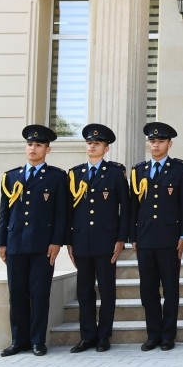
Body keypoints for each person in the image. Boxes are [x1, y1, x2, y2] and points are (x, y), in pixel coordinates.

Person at [0, 125, 68, 357]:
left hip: (42, 246)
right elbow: (4, 213)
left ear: (47, 149)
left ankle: (37, 340)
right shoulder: (11, 177)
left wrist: (57, 242)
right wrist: (2, 242)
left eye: (38, 145)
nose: (33, 148)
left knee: (39, 294)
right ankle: (19, 341)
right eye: (30, 144)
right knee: (16, 294)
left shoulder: (57, 177)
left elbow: (61, 213)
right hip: (15, 243)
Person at [67, 123, 129, 354]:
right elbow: (68, 210)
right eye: (89, 143)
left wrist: (121, 238)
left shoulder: (114, 173)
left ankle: (104, 335)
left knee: (106, 290)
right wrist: (68, 241)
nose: (92, 147)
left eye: (97, 144)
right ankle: (87, 336)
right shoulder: (75, 174)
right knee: (84, 291)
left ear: (106, 148)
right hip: (81, 240)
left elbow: (125, 206)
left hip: (106, 241)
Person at [129, 122, 183, 352]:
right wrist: (132, 235)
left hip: (169, 237)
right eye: (153, 141)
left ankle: (168, 335)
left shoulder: (179, 169)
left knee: (170, 288)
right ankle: (152, 334)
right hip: (145, 237)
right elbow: (133, 205)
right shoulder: (139, 170)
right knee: (148, 288)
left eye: (161, 141)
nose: (156, 145)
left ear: (169, 144)